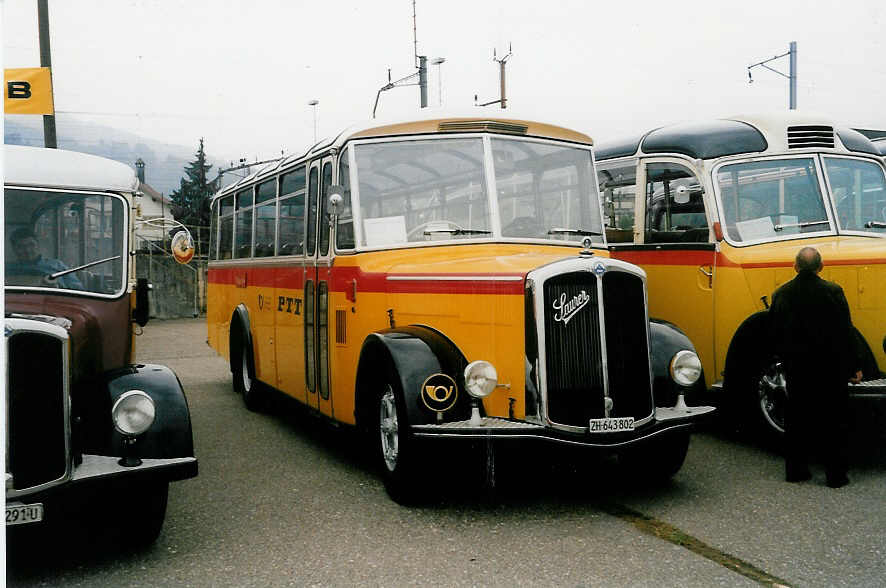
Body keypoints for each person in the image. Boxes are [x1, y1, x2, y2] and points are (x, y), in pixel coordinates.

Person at [768, 246, 862, 488]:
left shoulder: (781, 294)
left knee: (797, 419)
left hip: (797, 367)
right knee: (835, 421)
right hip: (831, 367)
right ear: (821, 267)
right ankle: (836, 476)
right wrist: (854, 366)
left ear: (795, 266)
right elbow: (846, 331)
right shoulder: (833, 291)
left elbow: (775, 332)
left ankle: (796, 471)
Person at [6, 227, 83, 290]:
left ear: (38, 245)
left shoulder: (57, 266)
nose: (27, 250)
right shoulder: (6, 269)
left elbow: (78, 290)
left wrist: (58, 287)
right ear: (14, 249)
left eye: (31, 245)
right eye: (21, 247)